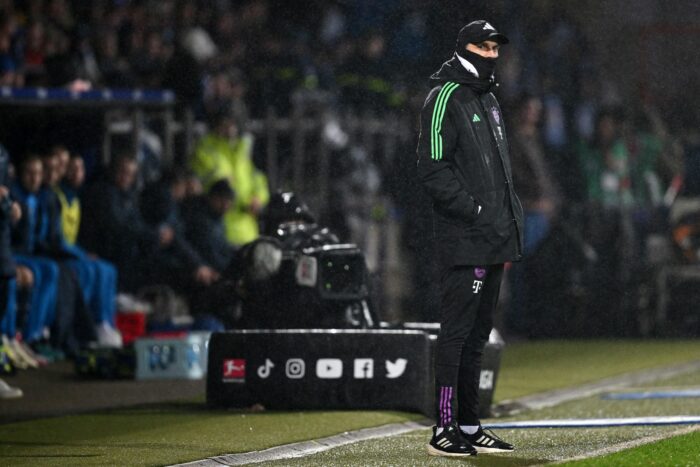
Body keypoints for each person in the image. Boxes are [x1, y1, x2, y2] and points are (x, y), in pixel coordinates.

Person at [415, 20, 522, 456]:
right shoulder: (444, 97)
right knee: (457, 334)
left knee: (479, 336)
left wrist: (504, 220)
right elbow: (432, 169)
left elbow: (499, 173)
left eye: (495, 48)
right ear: (464, 49)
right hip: (465, 238)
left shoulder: (489, 99)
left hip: (493, 236)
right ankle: (443, 428)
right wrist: (475, 212)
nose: (491, 54)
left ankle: (470, 424)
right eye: (484, 47)